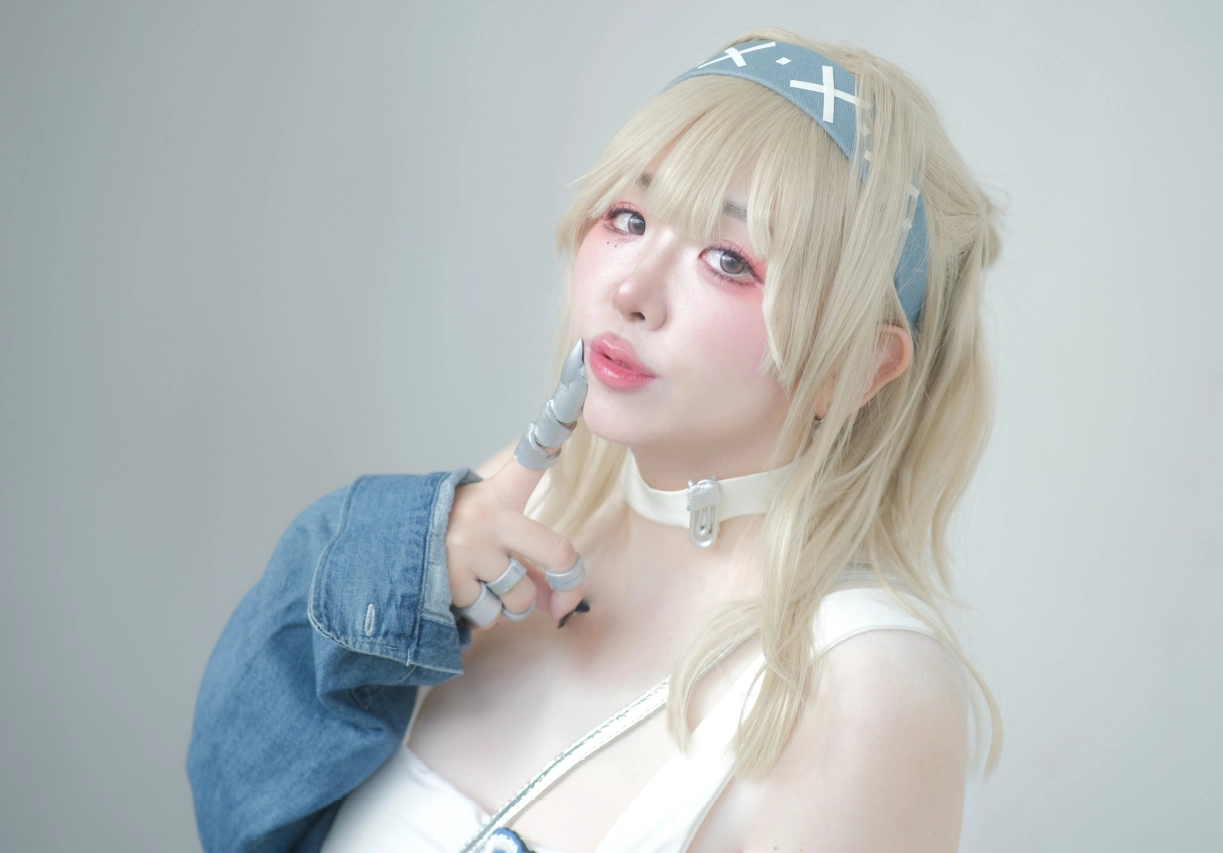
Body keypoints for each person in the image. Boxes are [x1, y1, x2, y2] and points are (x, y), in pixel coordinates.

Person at [188, 25, 1004, 853]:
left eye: (729, 260)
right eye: (628, 216)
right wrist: (390, 562)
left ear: (857, 367)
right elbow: (241, 817)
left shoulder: (865, 689)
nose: (632, 288)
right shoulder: (496, 535)